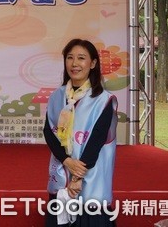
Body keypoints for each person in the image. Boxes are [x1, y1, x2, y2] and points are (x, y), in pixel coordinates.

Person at [43, 38, 118, 226]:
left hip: (89, 175)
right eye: (70, 58)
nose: (75, 64)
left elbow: (97, 140)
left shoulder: (103, 100)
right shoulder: (57, 96)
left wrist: (77, 176)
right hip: (62, 169)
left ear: (93, 63)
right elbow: (49, 133)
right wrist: (67, 161)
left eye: (81, 58)